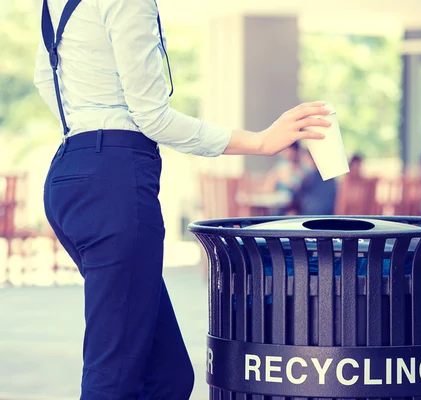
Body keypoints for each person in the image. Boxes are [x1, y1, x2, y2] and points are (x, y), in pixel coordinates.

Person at [34, 0, 331, 398]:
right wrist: (260, 142)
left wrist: (90, 130)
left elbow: (43, 78)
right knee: (114, 371)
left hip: (70, 173)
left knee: (168, 373)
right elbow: (152, 116)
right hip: (114, 184)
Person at [293, 146, 337, 215]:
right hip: (327, 215)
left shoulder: (310, 176)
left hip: (310, 214)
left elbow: (297, 196)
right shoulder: (330, 177)